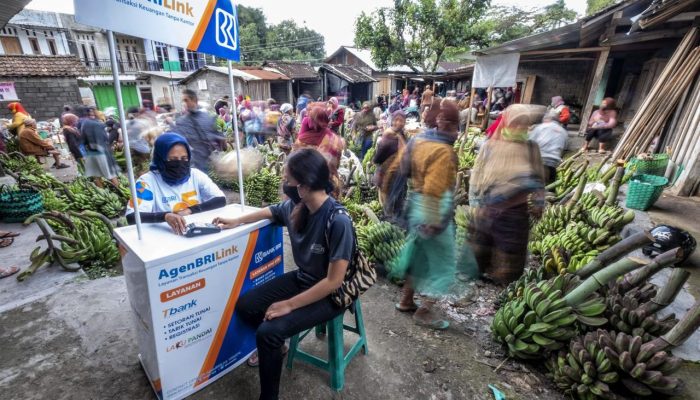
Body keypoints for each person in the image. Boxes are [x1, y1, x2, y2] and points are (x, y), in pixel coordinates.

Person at [213, 148, 355, 400]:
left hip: (330, 294)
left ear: (305, 184)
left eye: (288, 180)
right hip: (304, 279)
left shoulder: (338, 221)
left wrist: (289, 305)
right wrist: (237, 221)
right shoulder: (297, 205)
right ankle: (276, 348)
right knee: (246, 305)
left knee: (268, 333)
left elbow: (334, 282)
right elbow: (271, 211)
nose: (284, 185)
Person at [388, 100, 461, 330]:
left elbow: (402, 167)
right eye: (457, 125)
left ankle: (406, 300)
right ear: (449, 124)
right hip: (433, 207)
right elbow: (434, 189)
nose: (458, 131)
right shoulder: (443, 151)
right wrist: (435, 222)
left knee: (417, 255)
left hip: (416, 203)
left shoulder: (420, 139)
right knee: (443, 262)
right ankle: (425, 310)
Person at [469, 104, 545, 284]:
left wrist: (539, 202)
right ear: (506, 123)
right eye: (515, 123)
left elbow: (539, 177)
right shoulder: (490, 145)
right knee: (481, 249)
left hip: (516, 210)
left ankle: (506, 285)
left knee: (511, 251)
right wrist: (475, 202)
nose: (519, 128)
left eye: (524, 124)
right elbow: (477, 173)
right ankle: (478, 275)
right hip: (488, 207)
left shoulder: (531, 147)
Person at [125, 133, 226, 234]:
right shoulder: (146, 182)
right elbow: (131, 216)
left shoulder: (196, 175)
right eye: (173, 160)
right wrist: (165, 216)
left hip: (196, 233)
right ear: (160, 159)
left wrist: (190, 210)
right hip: (165, 238)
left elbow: (220, 199)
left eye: (184, 159)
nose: (179, 164)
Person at [294, 105, 344, 177]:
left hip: (311, 178)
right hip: (325, 177)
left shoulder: (301, 140)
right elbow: (336, 162)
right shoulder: (333, 138)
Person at [373, 110, 407, 206]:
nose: (399, 123)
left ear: (405, 122)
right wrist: (376, 161)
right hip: (387, 171)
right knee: (387, 197)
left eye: (401, 121)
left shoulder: (402, 134)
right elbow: (380, 153)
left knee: (394, 197)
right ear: (392, 121)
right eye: (396, 120)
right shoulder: (389, 134)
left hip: (398, 173)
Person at [529, 111, 569, 184]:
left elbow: (530, 142)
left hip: (538, 160)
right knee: (549, 187)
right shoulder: (563, 131)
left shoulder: (540, 127)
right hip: (553, 163)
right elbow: (565, 149)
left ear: (548, 119)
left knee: (532, 185)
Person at [80, 113, 119, 186]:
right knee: (110, 174)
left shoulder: (84, 125)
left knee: (96, 176)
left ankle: (102, 191)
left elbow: (83, 140)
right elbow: (106, 139)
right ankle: (120, 192)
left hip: (91, 153)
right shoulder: (98, 125)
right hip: (102, 153)